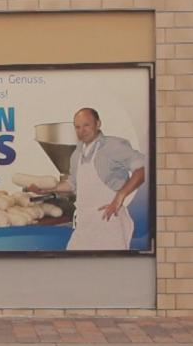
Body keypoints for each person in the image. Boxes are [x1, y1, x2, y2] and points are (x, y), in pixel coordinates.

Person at [28, 107, 146, 251]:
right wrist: (48, 188)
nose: (81, 130)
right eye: (77, 127)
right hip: (85, 224)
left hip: (108, 223)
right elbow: (72, 184)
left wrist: (119, 197)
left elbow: (142, 169)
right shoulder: (77, 153)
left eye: (86, 125)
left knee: (109, 270)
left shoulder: (113, 146)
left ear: (98, 124)